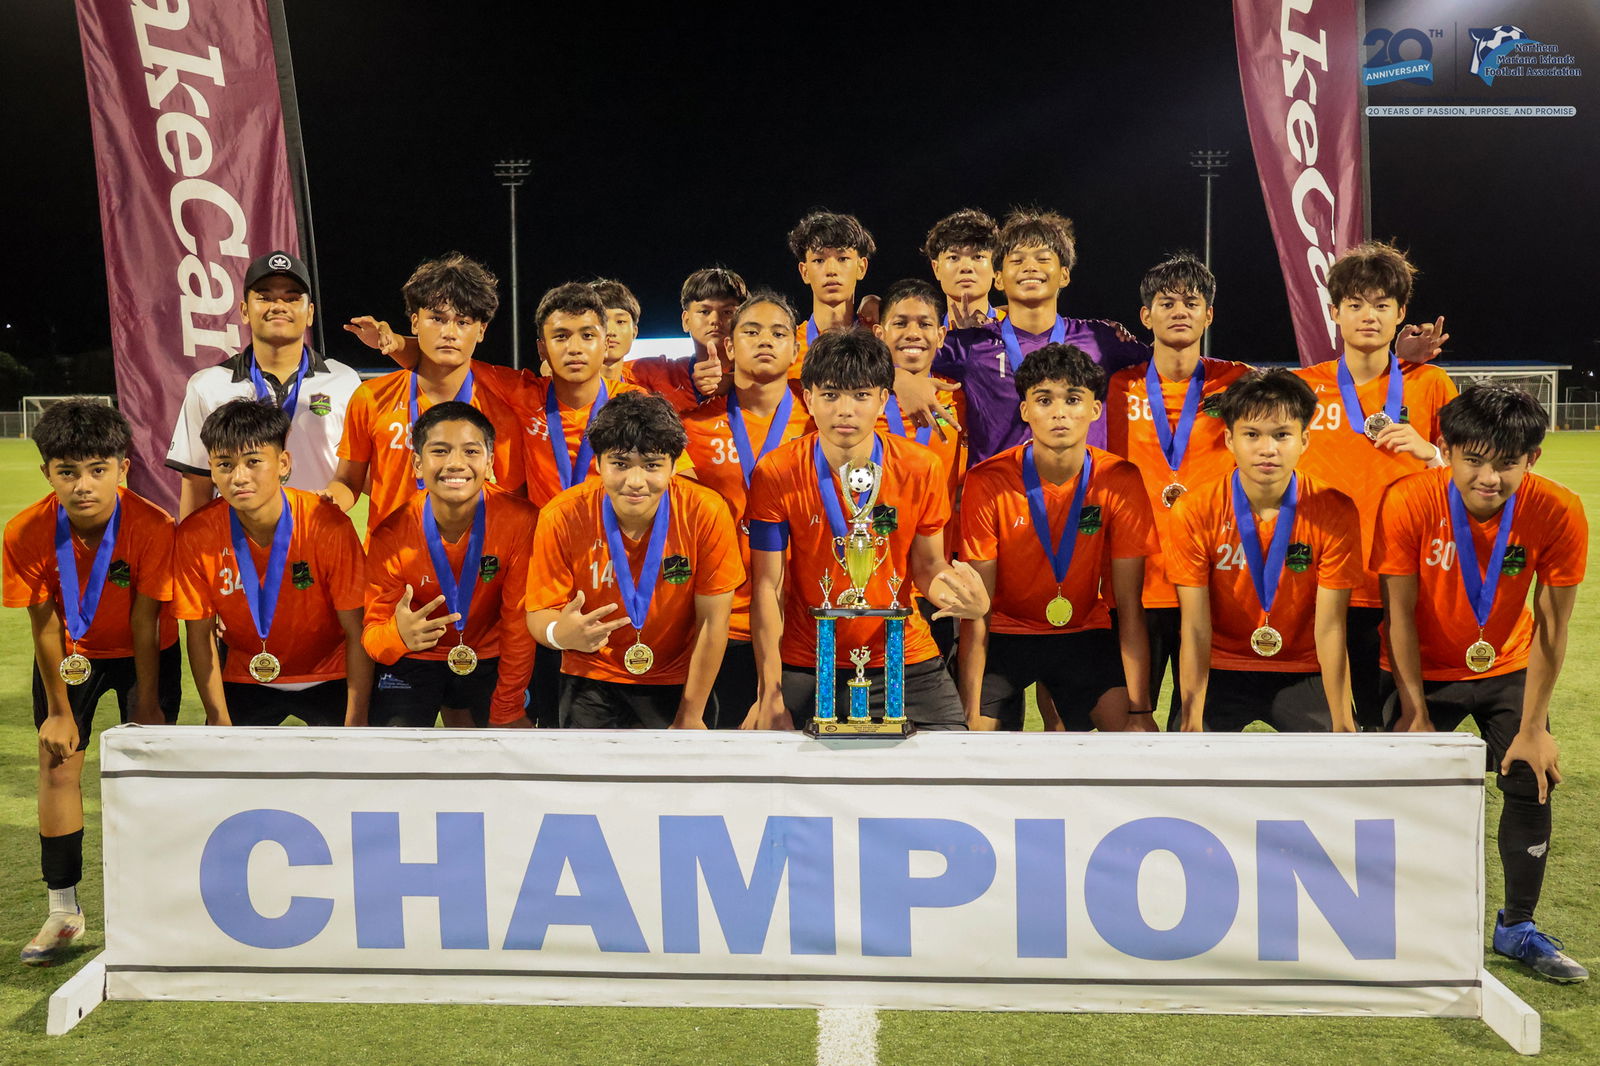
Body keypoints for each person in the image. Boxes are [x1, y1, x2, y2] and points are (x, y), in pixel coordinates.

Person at [1373, 385, 1588, 981]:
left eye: (1506, 463)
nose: (1488, 477)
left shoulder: (1558, 509)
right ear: (1446, 449)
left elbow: (1552, 626)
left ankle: (1517, 928)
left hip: (1506, 667)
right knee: (1398, 788)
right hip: (1420, 669)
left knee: (1531, 777)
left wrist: (1534, 726)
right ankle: (1401, 924)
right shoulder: (1409, 500)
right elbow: (1398, 615)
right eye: (1473, 459)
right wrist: (1414, 711)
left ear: (1532, 460)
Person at [3, 400, 179, 965]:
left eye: (98, 469)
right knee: (58, 763)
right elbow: (45, 620)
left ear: (123, 467)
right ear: (48, 473)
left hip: (145, 650)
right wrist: (59, 709)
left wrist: (147, 699)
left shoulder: (153, 524)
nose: (84, 485)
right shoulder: (26, 530)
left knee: (151, 771)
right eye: (68, 471)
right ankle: (63, 911)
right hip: (72, 656)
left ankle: (160, 906)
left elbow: (147, 619)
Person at [746, 328, 990, 730]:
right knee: (773, 765)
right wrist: (768, 693)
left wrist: (964, 599)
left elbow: (928, 565)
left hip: (902, 651)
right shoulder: (777, 471)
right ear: (808, 399)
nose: (845, 410)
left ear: (882, 398)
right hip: (809, 657)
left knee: (952, 757)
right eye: (830, 395)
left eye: (860, 395)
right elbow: (768, 586)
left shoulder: (919, 467)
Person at [1295, 241, 1458, 730]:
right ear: (1334, 312)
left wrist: (1430, 453)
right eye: (1356, 304)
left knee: (1397, 727)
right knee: (1333, 729)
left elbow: (1472, 477)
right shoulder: (1302, 387)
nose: (1369, 315)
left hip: (1405, 584)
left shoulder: (1432, 384)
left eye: (1382, 305)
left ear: (1401, 312)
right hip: (1327, 585)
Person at [960, 344, 1158, 731]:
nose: (1060, 413)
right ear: (1025, 411)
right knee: (978, 740)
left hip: (1083, 630)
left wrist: (1141, 712)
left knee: (1130, 739)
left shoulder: (1120, 479)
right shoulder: (987, 481)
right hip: (1006, 631)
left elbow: (1130, 606)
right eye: (1044, 400)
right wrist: (969, 712)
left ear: (1095, 410)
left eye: (1073, 399)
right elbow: (977, 611)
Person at [525, 392, 742, 728]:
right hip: (590, 676)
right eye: (620, 463)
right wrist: (559, 635)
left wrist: (691, 713)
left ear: (674, 463)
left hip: (679, 681)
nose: (636, 481)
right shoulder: (562, 515)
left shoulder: (706, 511)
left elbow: (714, 623)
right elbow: (538, 612)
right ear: (598, 463)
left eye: (652, 465)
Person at [1166, 370, 1362, 733]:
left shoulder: (1335, 510)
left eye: (1282, 435)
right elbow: (1194, 627)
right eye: (1252, 435)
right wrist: (1191, 719)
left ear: (1305, 439)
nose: (1267, 449)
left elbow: (1331, 627)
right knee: (1191, 772)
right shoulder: (1194, 510)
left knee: (1331, 772)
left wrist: (1342, 721)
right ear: (1228, 439)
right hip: (1222, 666)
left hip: (1302, 669)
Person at [1106, 255, 1250, 728]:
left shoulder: (1240, 382)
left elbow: (1317, 390)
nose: (1180, 311)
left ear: (1209, 314)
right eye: (1166, 303)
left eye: (1192, 302)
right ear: (1145, 316)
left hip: (1211, 581)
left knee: (1199, 728)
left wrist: (1403, 362)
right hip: (1134, 583)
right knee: (1128, 725)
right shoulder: (1115, 388)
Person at [176, 399, 371, 728]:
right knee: (231, 777)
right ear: (210, 468)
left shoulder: (327, 525)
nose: (239, 477)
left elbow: (357, 629)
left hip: (332, 673)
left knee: (348, 777)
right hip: (245, 676)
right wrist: (218, 721)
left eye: (253, 462)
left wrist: (356, 719)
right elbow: (199, 635)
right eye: (224, 465)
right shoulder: (196, 534)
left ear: (283, 463)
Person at [919, 209, 1149, 466]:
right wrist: (904, 379)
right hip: (1000, 498)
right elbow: (889, 361)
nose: (1030, 267)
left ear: (1064, 275)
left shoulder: (1100, 339)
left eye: (1042, 259)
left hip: (1083, 496)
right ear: (998, 279)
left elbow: (1167, 366)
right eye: (1017, 261)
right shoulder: (971, 344)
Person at [679, 291, 813, 724]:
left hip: (805, 619)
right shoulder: (691, 428)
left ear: (795, 348)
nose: (765, 341)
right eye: (751, 331)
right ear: (730, 347)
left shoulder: (821, 422)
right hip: (724, 624)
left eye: (778, 333)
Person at [326, 253, 527, 535]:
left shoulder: (507, 402)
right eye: (436, 318)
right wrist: (327, 502)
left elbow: (515, 497)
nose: (449, 332)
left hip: (477, 567)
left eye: (463, 322)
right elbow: (348, 481)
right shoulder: (371, 397)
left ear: (481, 330)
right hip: (391, 567)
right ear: (414, 323)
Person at [363, 402, 535, 728]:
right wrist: (397, 636)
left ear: (490, 462)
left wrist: (508, 706)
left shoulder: (521, 521)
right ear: (417, 464)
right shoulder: (391, 533)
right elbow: (373, 639)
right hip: (416, 656)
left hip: (491, 656)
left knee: (511, 748)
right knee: (391, 752)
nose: (455, 464)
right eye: (440, 451)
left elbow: (518, 627)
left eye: (470, 452)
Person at [167, 250, 362, 519]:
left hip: (318, 535)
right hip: (237, 543)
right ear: (244, 310)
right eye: (265, 297)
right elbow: (197, 482)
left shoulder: (345, 382)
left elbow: (353, 477)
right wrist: (191, 550)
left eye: (292, 298)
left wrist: (329, 503)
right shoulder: (208, 385)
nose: (278, 305)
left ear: (310, 313)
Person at [872, 279, 967, 659]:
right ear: (879, 333)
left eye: (925, 324)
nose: (914, 333)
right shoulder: (860, 400)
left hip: (936, 580)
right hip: (872, 579)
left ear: (942, 334)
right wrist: (897, 378)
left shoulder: (962, 398)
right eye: (901, 323)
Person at [617, 268, 748, 410]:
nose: (715, 320)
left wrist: (735, 382)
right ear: (686, 320)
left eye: (727, 312)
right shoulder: (659, 374)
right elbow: (602, 376)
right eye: (704, 311)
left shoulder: (761, 376)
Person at [787, 210, 876, 377]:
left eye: (842, 259)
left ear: (861, 267)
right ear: (804, 272)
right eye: (819, 260)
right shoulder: (787, 347)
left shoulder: (880, 338)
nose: (831, 270)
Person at [923, 207, 1004, 328]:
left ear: (995, 266)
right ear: (936, 269)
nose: (966, 267)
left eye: (978, 256)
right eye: (954, 257)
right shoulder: (926, 337)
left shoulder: (1016, 328)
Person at [591, 277, 641, 380]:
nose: (610, 332)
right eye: (602, 322)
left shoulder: (641, 391)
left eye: (620, 322)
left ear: (634, 332)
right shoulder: (558, 387)